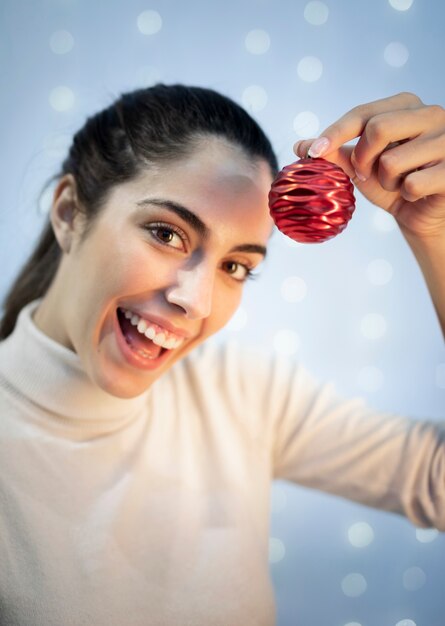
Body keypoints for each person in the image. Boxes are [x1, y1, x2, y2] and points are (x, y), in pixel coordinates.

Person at [0, 84, 443, 626]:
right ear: (69, 213)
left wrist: (436, 235)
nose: (196, 301)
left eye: (235, 266)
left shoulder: (243, 396)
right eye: (167, 233)